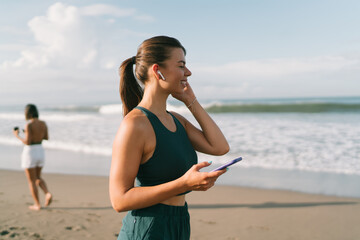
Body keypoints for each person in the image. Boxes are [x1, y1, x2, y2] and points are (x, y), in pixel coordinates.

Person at [109, 36, 230, 239]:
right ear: (158, 71)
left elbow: (219, 147)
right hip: (149, 227)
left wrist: (191, 101)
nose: (188, 72)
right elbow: (119, 200)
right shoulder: (135, 125)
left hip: (179, 220)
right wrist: (184, 184)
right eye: (181, 65)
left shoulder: (176, 120)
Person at [13, 104, 52, 211]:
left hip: (30, 152)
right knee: (38, 177)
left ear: (27, 113)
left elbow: (28, 142)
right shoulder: (43, 123)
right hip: (40, 150)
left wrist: (17, 136)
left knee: (31, 181)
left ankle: (37, 204)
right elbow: (46, 137)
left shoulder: (29, 125)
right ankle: (47, 193)